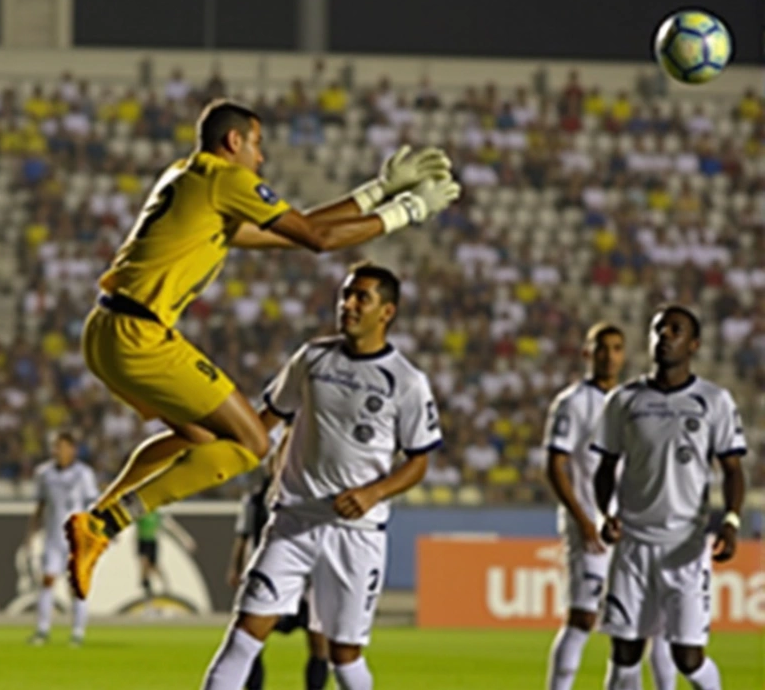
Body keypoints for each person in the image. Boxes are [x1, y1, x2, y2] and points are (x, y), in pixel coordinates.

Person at [65, 99, 461, 599]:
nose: (262, 159)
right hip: (139, 336)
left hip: (104, 328)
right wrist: (410, 210)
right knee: (253, 444)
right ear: (235, 142)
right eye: (258, 145)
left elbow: (297, 231)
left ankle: (96, 518)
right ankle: (105, 522)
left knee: (201, 440)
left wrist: (377, 190)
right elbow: (317, 238)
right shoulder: (227, 181)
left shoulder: (187, 176)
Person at [202, 263, 441, 690]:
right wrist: (223, 446)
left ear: (387, 311)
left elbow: (419, 460)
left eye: (361, 297)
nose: (347, 304)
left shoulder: (406, 382)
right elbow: (267, 421)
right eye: (345, 295)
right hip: (292, 521)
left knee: (344, 657)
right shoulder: (312, 358)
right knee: (243, 636)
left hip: (356, 531)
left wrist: (374, 492)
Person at [593, 306, 748, 690]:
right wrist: (604, 512)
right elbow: (606, 466)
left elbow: (732, 470)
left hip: (686, 548)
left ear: (693, 344)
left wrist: (731, 521)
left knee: (688, 658)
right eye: (658, 329)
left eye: (675, 330)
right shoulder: (624, 400)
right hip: (633, 546)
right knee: (625, 651)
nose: (664, 335)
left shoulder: (714, 401)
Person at [543, 324, 677, 690]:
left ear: (624, 354)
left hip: (630, 528)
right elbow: (555, 465)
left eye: (617, 348)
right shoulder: (572, 402)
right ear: (587, 353)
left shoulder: (633, 402)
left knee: (640, 626)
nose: (609, 355)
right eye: (602, 348)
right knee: (583, 618)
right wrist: (584, 520)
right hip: (588, 525)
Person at [229, 465, 329, 690]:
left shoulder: (310, 494)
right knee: (250, 640)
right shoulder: (255, 500)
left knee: (318, 642)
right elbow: (244, 536)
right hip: (269, 576)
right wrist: (237, 568)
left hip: (307, 579)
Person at [27, 432, 99, 647]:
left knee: (76, 586)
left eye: (62, 447)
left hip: (77, 539)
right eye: (55, 447)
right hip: (53, 537)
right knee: (47, 581)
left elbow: (92, 506)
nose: (57, 452)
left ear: (72, 450)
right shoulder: (44, 473)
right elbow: (40, 506)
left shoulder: (84, 474)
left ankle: (77, 631)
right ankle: (42, 630)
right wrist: (31, 532)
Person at [136, 510, 197, 598]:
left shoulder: (157, 515)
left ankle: (163, 585)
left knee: (153, 565)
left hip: (152, 541)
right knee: (144, 563)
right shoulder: (141, 513)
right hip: (142, 541)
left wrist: (186, 540)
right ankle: (146, 585)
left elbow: (173, 528)